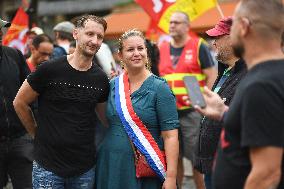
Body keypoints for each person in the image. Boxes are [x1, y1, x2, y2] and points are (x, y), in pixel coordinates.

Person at [189, 0, 284, 188]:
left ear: (244, 27)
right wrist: (224, 113)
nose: (213, 41)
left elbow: (267, 174)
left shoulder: (261, 85)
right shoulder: (268, 75)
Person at [13, 15, 109, 189]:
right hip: (47, 167)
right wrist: (36, 134)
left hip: (84, 168)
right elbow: (20, 102)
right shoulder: (49, 69)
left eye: (99, 36)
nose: (94, 41)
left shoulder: (101, 78)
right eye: (89, 34)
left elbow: (106, 119)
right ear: (75, 34)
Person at [95, 29, 179, 189]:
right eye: (130, 49)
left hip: (144, 167)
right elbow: (107, 121)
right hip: (110, 162)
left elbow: (171, 136)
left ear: (146, 52)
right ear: (120, 55)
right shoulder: (113, 85)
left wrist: (171, 176)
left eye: (140, 48)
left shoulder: (160, 87)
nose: (136, 53)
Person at [158, 11, 217, 188]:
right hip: (169, 114)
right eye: (171, 22)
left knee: (196, 159)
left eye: (177, 22)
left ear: (186, 26)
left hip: (193, 111)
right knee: (173, 158)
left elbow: (211, 76)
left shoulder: (198, 45)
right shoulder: (162, 48)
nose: (172, 25)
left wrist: (206, 103)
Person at [192, 17, 247, 189]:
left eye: (217, 38)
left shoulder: (248, 74)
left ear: (232, 39)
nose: (213, 43)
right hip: (213, 162)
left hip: (230, 164)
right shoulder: (225, 70)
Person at [0, 18, 33, 189]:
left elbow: (30, 91)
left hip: (20, 138)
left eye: (1, 30)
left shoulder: (14, 55)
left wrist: (34, 128)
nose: (0, 33)